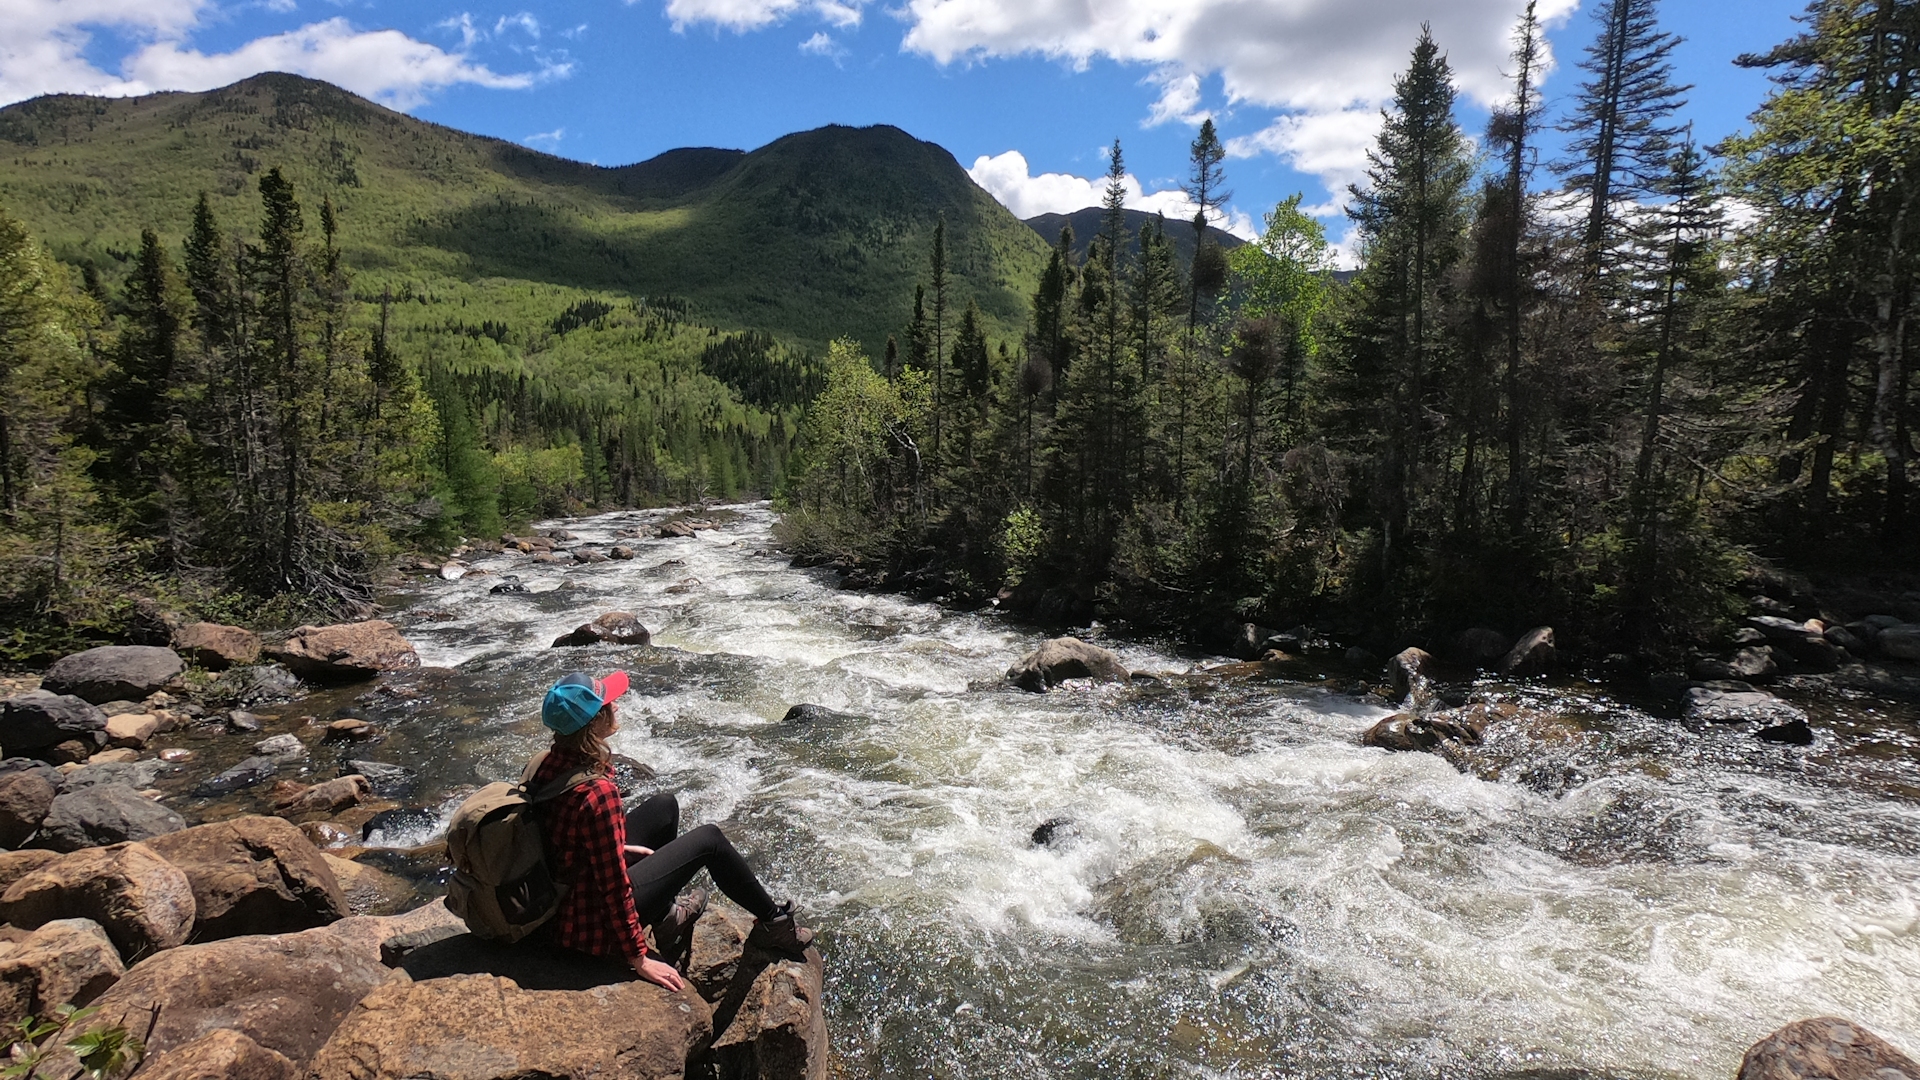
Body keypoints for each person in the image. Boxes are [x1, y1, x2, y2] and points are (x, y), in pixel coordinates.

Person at [531, 670, 814, 991]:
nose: (617, 707)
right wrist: (639, 956)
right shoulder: (597, 793)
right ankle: (775, 924)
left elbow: (557, 836)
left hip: (564, 894)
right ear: (594, 722)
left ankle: (665, 918)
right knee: (710, 840)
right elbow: (613, 890)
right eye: (609, 703)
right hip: (588, 922)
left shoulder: (546, 763)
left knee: (664, 807)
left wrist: (613, 848)